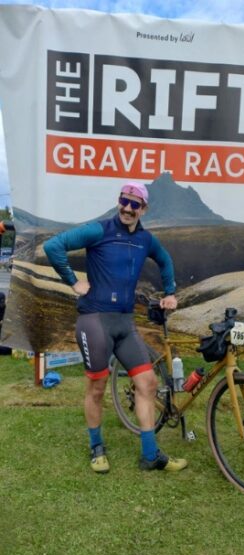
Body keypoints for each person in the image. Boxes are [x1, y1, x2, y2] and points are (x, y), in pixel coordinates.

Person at [43, 182, 187, 474]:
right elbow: (53, 246)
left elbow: (165, 260)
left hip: (124, 323)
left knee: (147, 383)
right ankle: (97, 447)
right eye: (124, 201)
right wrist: (73, 281)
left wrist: (170, 291)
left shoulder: (145, 239)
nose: (127, 208)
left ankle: (150, 456)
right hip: (94, 320)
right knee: (96, 387)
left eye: (135, 204)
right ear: (118, 201)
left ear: (143, 209)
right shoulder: (100, 230)